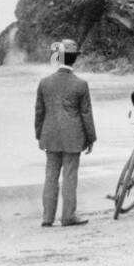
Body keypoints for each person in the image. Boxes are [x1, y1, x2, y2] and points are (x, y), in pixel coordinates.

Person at [34, 39, 96, 227]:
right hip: (73, 134)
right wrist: (91, 137)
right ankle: (68, 216)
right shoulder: (81, 84)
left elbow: (39, 112)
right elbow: (86, 114)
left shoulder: (44, 83)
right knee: (70, 176)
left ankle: (47, 217)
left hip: (50, 133)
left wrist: (39, 134)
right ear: (74, 60)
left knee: (50, 176)